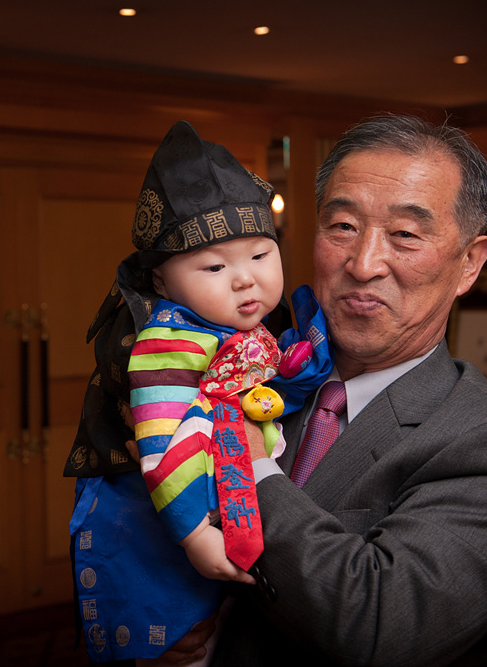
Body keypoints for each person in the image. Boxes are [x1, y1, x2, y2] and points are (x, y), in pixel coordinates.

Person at [155, 114, 487, 666]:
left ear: (469, 264)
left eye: (405, 235)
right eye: (343, 226)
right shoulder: (253, 376)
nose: (363, 263)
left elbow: (380, 625)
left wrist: (245, 460)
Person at [65, 120, 331, 664]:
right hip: (152, 520)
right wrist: (193, 535)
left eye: (260, 255)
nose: (245, 279)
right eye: (214, 265)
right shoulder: (168, 342)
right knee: (180, 647)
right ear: (162, 282)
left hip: (204, 507)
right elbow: (163, 447)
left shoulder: (245, 323)